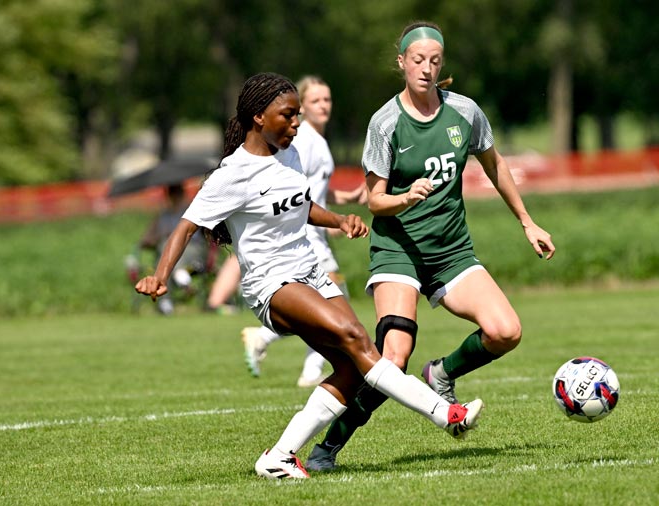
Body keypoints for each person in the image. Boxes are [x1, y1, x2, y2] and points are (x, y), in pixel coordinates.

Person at [134, 72, 484, 480]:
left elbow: (300, 206)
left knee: (352, 368)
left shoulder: (290, 153)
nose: (296, 123)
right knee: (356, 339)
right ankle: (447, 415)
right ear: (258, 117)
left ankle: (279, 456)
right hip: (271, 285)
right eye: (288, 115)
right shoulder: (233, 173)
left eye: (298, 114)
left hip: (310, 270)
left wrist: (339, 220)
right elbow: (186, 226)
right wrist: (160, 275)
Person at [304, 22, 555, 471]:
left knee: (506, 331)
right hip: (398, 251)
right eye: (418, 60)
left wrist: (527, 221)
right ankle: (328, 446)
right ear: (401, 62)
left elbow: (495, 165)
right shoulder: (385, 123)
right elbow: (375, 200)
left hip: (452, 251)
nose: (426, 68)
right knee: (392, 358)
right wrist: (406, 197)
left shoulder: (464, 112)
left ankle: (442, 373)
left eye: (434, 61)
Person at [238, 75, 367, 386]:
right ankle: (274, 345)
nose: (323, 106)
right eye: (315, 100)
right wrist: (325, 221)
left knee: (328, 304)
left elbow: (312, 190)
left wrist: (343, 201)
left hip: (314, 233)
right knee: (331, 303)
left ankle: (307, 366)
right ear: (302, 107)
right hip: (305, 237)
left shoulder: (317, 141)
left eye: (327, 99)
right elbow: (293, 193)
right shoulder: (304, 141)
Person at [133, 183, 210, 315]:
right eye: (172, 192)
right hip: (166, 252)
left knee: (170, 247)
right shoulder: (163, 216)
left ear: (182, 193)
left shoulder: (191, 211)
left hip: (193, 250)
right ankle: (180, 277)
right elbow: (146, 240)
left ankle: (167, 296)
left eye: (177, 192)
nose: (175, 196)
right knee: (165, 245)